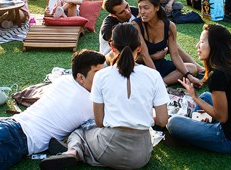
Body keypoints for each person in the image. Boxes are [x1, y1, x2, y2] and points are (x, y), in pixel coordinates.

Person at [39, 23, 168, 170]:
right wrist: (143, 116)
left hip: (109, 148)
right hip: (141, 155)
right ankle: (81, 153)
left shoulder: (101, 76)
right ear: (139, 47)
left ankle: (73, 151)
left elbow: (99, 122)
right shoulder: (154, 76)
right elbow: (163, 121)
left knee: (80, 132)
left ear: (112, 47)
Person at [166, 24, 231, 153]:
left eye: (201, 42)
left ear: (215, 45)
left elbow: (222, 117)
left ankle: (195, 127)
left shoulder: (219, 75)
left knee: (173, 123)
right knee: (206, 96)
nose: (197, 46)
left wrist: (194, 96)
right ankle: (197, 123)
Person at [133, 0, 203, 85]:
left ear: (156, 7)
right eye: (140, 8)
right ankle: (159, 83)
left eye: (146, 8)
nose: (142, 12)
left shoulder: (170, 26)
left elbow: (175, 55)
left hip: (160, 64)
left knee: (192, 68)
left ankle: (162, 83)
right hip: (143, 67)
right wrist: (156, 77)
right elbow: (145, 55)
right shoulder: (136, 25)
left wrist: (189, 76)